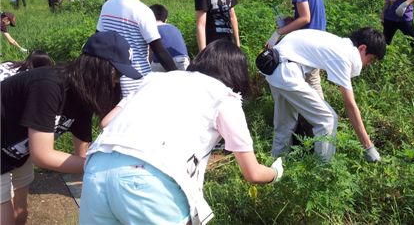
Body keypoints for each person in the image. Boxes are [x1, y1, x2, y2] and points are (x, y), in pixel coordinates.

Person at [80, 40, 283, 225]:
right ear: (238, 73)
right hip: (149, 177)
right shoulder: (224, 97)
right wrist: (276, 173)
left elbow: (106, 122)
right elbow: (253, 173)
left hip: (97, 168)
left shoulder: (154, 79)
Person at [1, 31, 142, 225]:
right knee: (5, 216)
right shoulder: (49, 85)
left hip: (17, 150)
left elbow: (82, 153)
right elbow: (42, 155)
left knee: (21, 210)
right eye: (117, 73)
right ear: (99, 68)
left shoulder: (82, 96)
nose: (116, 81)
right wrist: (103, 165)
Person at [262, 27, 386, 162]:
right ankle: (322, 173)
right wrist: (368, 147)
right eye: (371, 59)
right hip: (287, 72)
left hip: (273, 67)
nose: (368, 64)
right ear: (362, 48)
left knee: (284, 126)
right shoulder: (345, 56)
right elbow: (350, 105)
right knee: (328, 119)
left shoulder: (336, 43)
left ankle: (275, 170)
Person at [97, 0, 177, 97]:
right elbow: (159, 50)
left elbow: (98, 39)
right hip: (136, 83)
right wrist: (179, 75)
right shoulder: (142, 11)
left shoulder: (108, 5)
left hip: (111, 79)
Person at [268, 0, 327, 99]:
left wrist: (278, 33)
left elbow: (305, 17)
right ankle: (317, 118)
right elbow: (306, 14)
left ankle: (322, 120)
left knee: (308, 80)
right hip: (318, 36)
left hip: (309, 41)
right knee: (310, 79)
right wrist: (291, 20)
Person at [149, 4, 190, 71]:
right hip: (182, 59)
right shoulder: (175, 28)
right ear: (166, 20)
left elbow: (150, 51)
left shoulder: (152, 28)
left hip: (161, 62)